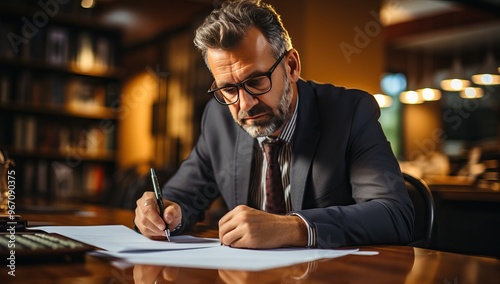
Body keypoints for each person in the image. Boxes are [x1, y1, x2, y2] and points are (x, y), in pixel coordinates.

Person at [134, 0, 414, 249]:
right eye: (228, 90)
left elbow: (394, 214)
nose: (244, 104)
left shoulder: (350, 112)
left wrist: (293, 227)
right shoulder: (218, 118)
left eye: (256, 81)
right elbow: (183, 196)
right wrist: (164, 213)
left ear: (291, 66)